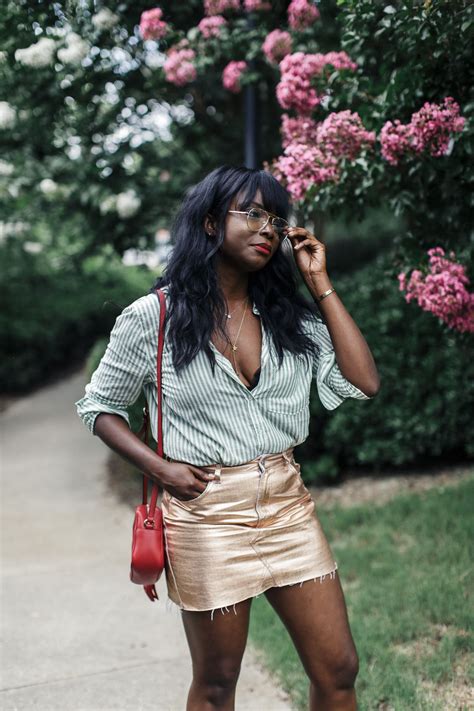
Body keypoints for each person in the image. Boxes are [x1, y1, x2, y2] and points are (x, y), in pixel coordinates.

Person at [75, 165, 380, 711]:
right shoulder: (156, 318)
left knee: (339, 668)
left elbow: (364, 381)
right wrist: (162, 469)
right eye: (253, 213)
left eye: (276, 218)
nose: (268, 228)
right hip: (206, 516)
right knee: (217, 683)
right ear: (213, 223)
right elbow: (99, 408)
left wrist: (319, 283)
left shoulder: (290, 319)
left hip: (288, 507)